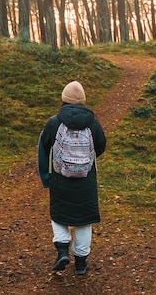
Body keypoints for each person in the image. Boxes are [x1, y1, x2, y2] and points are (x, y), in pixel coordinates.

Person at [37, 81, 107, 274]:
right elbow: (100, 146)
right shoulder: (93, 123)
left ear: (63, 99)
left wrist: (45, 177)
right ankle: (81, 264)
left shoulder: (54, 122)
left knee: (59, 215)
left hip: (60, 178)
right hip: (86, 180)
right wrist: (83, 161)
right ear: (83, 101)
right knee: (84, 220)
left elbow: (42, 150)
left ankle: (62, 251)